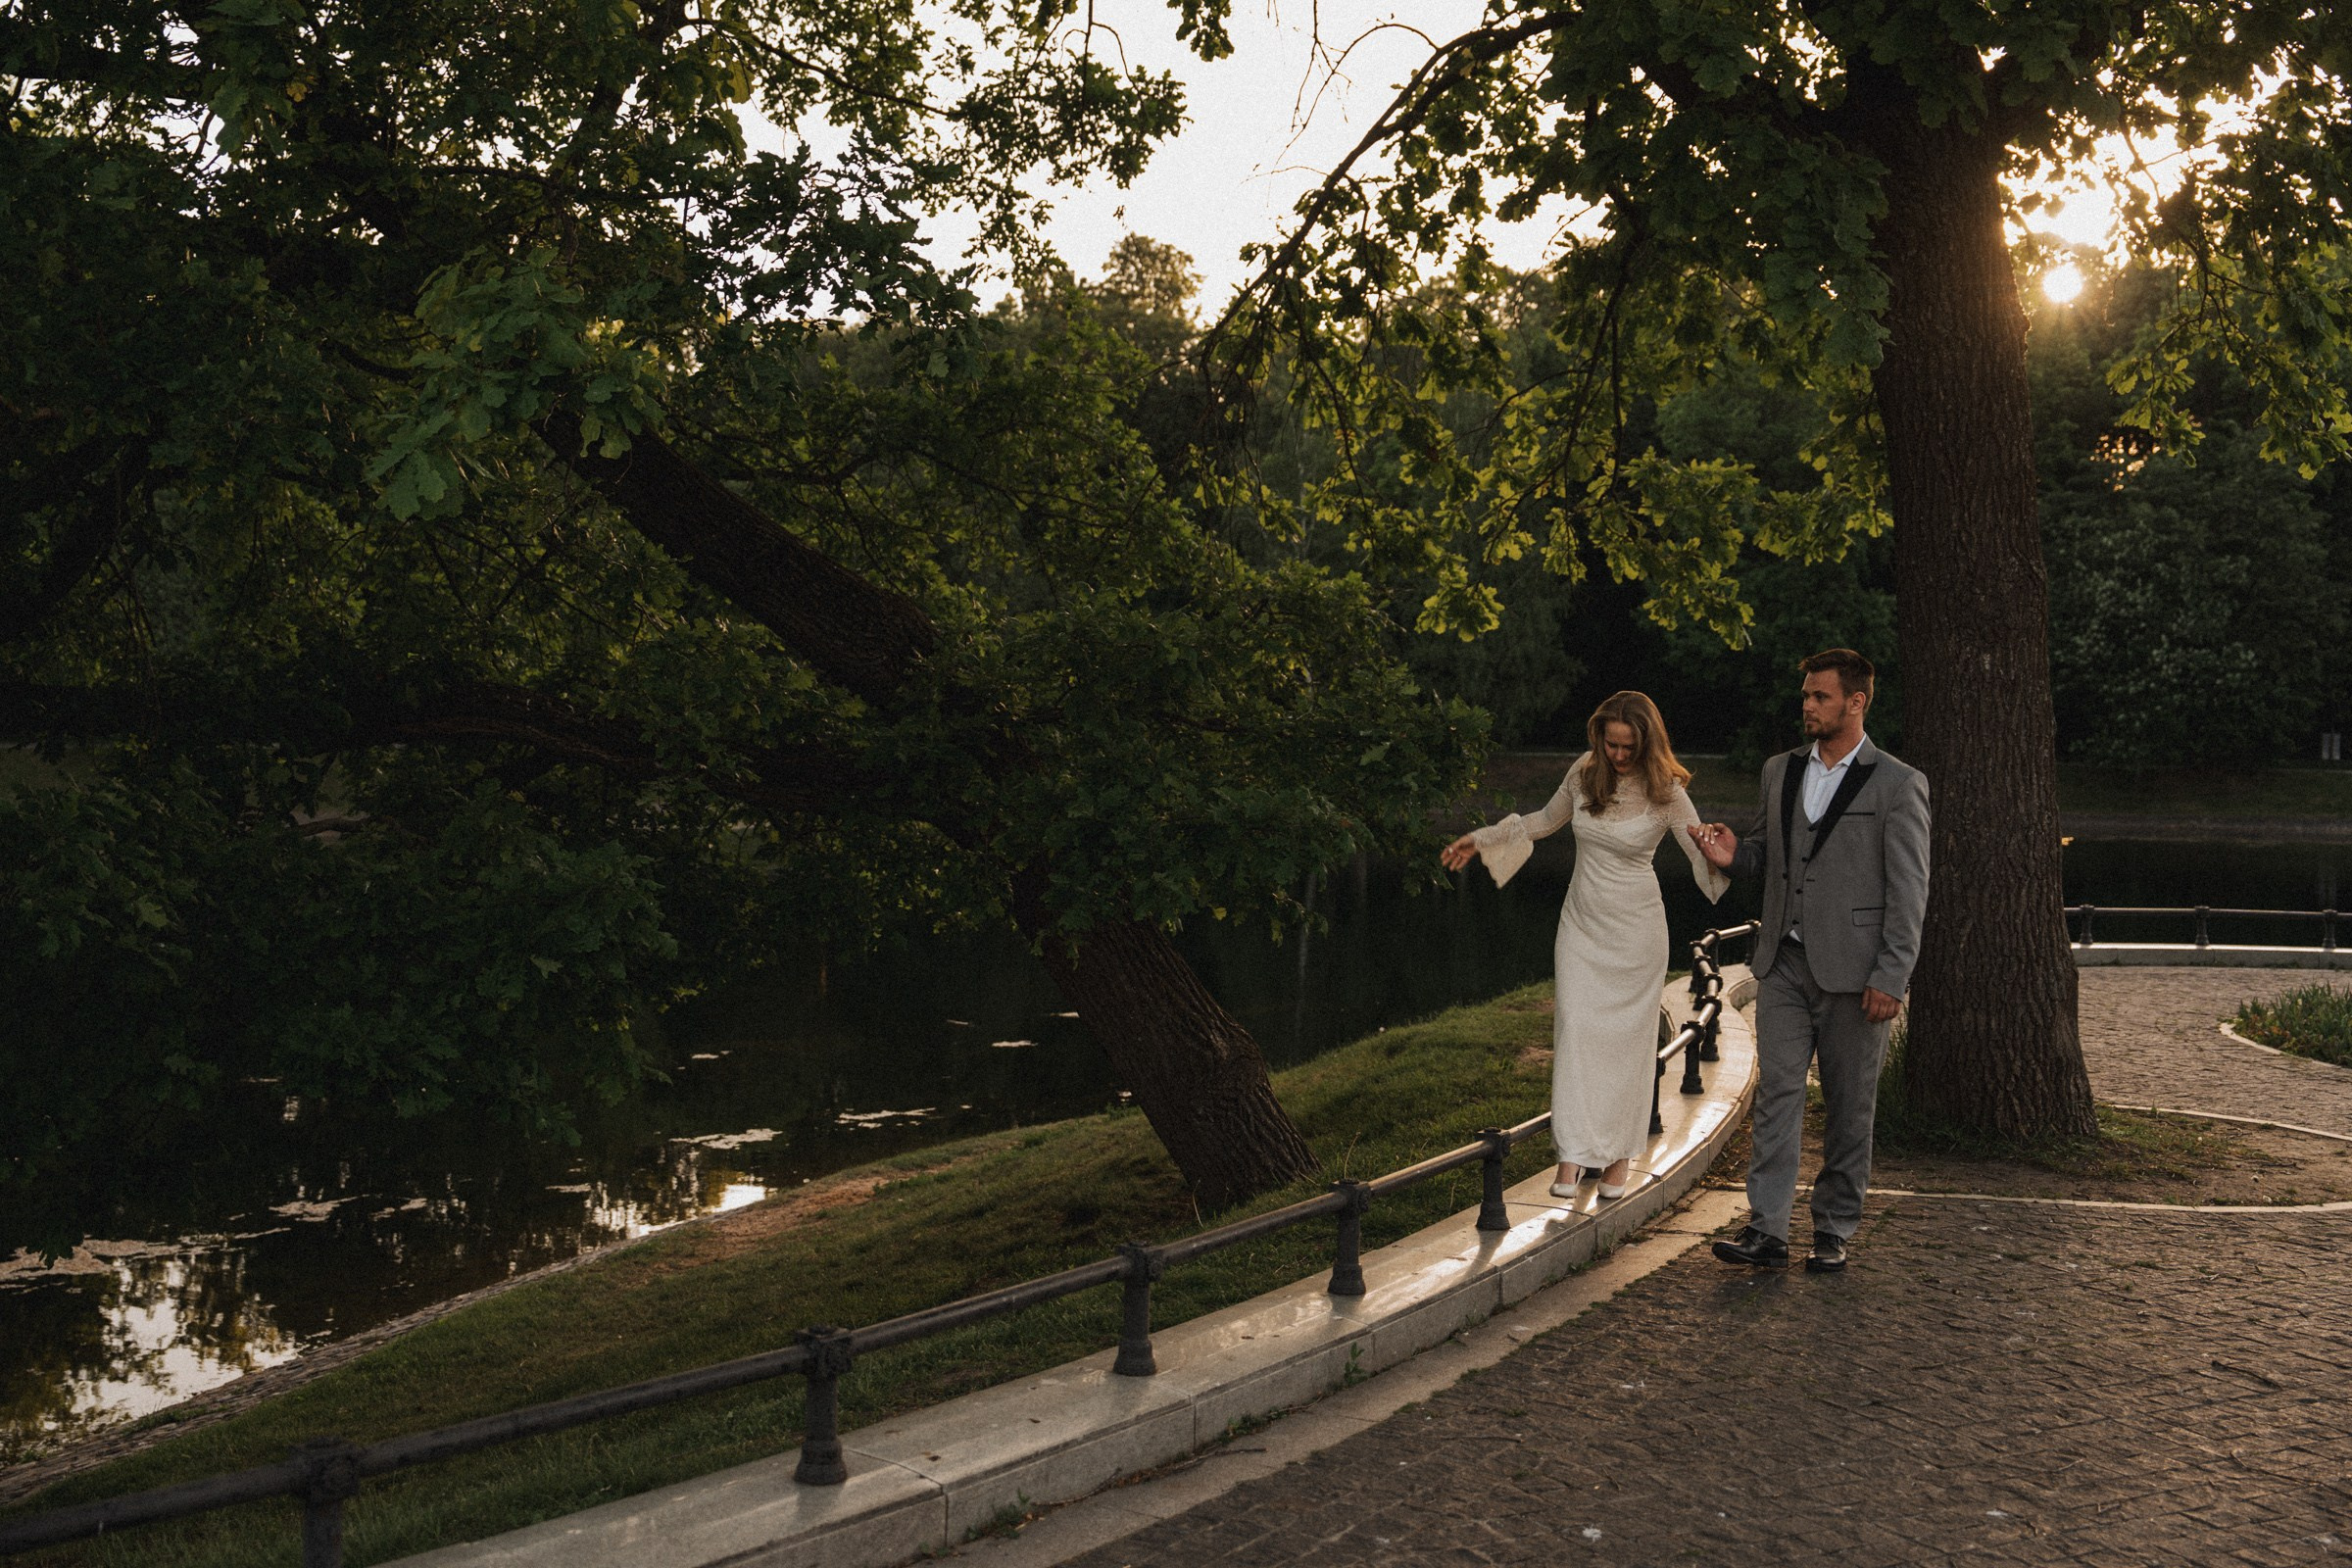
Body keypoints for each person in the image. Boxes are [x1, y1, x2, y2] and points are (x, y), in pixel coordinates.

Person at [1688, 648, 1930, 1273]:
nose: (1808, 706)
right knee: (1778, 1095)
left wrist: (1892, 975)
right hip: (1784, 963)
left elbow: (1909, 891)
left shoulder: (1898, 782)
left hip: (1858, 975)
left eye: (1821, 696)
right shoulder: (1780, 770)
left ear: (1856, 701)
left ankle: (1834, 1227)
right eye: (1805, 696)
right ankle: (1766, 1230)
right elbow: (1768, 853)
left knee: (1849, 1106)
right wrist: (1734, 857)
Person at [1443, 692, 1726, 1200]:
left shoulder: (1668, 790)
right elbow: (1542, 820)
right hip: (1581, 926)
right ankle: (1572, 1156)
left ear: (1647, 743)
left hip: (1637, 933)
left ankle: (1618, 1158)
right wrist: (1481, 839)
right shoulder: (1584, 772)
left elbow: (1701, 852)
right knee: (1575, 1032)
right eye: (1610, 744)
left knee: (1627, 1046)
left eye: (1628, 746)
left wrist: (1725, 851)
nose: (1618, 755)